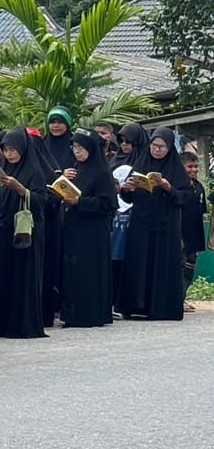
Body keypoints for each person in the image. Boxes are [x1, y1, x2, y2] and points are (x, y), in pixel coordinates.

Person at [117, 126, 193, 320]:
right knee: (139, 262)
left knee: (162, 264)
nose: (157, 150)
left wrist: (168, 188)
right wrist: (126, 189)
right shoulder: (141, 163)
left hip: (166, 225)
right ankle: (136, 305)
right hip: (141, 222)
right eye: (154, 146)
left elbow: (185, 197)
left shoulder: (176, 169)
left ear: (170, 148)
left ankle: (161, 308)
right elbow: (128, 199)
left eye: (162, 147)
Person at [58, 128, 117, 328]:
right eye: (74, 147)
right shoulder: (76, 169)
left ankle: (90, 314)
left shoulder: (101, 172)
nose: (77, 151)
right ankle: (73, 314)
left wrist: (80, 202)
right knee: (74, 272)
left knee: (89, 272)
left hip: (93, 232)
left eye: (81, 148)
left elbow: (108, 203)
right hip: (74, 229)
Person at [0, 128, 48, 339]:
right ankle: (3, 323)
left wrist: (21, 190)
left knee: (23, 277)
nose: (9, 154)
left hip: (26, 232)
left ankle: (23, 325)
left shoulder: (34, 171)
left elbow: (42, 202)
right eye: (6, 150)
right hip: (4, 229)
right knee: (4, 275)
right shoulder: (3, 169)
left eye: (13, 150)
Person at [40, 108, 77, 326]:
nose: (55, 126)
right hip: (48, 209)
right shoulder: (42, 145)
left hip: (68, 209)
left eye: (60, 122)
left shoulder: (74, 147)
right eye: (52, 121)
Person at [181, 151, 207, 311]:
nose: (194, 170)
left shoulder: (199, 187)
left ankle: (183, 298)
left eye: (196, 166)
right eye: (189, 166)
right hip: (180, 235)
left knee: (190, 267)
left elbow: (201, 213)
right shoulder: (177, 186)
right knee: (179, 267)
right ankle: (176, 298)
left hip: (194, 235)